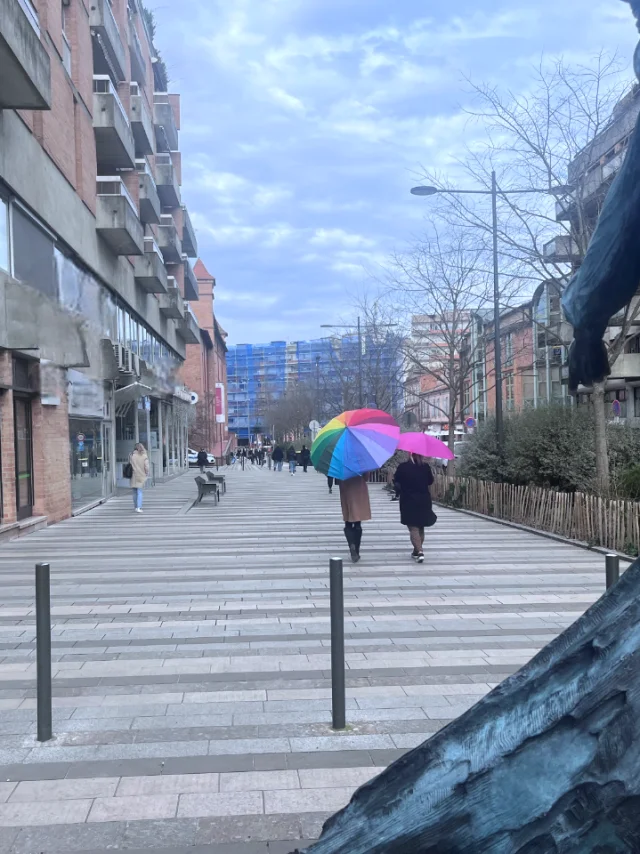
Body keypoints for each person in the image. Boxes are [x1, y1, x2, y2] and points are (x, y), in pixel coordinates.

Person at [393, 453, 437, 563]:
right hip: (424, 500)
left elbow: (396, 481)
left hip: (408, 501)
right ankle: (416, 551)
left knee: (413, 528)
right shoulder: (425, 467)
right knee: (420, 526)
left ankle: (420, 551)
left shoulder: (403, 467)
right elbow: (430, 481)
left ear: (410, 454)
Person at [339, 475, 371, 563]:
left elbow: (337, 476)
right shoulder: (361, 462)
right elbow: (366, 477)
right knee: (358, 521)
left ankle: (351, 544)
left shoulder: (341, 462)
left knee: (348, 521)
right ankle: (356, 550)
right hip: (359, 489)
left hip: (345, 489)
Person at [129, 443, 149, 514]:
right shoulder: (144, 456)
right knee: (139, 491)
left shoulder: (132, 456)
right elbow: (146, 466)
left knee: (134, 492)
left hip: (133, 475)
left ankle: (135, 506)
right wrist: (147, 473)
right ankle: (139, 507)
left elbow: (130, 464)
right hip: (141, 475)